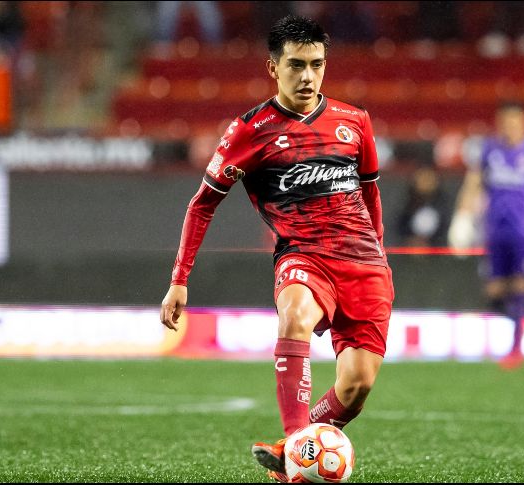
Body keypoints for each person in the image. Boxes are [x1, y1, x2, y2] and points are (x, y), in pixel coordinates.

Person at [159, 15, 394, 482]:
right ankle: (294, 449)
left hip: (364, 264)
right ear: (273, 68)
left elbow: (370, 194)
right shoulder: (250, 130)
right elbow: (202, 204)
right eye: (296, 65)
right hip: (302, 254)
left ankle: (292, 453)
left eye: (316, 65)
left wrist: (379, 252)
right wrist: (179, 280)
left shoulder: (354, 122)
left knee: (357, 384)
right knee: (295, 315)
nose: (307, 76)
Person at [448, 101, 524, 370]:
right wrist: (463, 216)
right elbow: (474, 182)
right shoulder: (490, 149)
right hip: (494, 228)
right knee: (494, 289)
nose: (511, 127)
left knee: (520, 284)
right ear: (499, 123)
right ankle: (517, 330)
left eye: (516, 122)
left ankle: (516, 347)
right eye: (506, 122)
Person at [397, 166, 452, 247]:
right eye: (422, 179)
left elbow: (446, 230)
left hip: (437, 251)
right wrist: (410, 241)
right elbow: (398, 228)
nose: (426, 183)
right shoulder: (406, 204)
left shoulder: (444, 204)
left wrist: (431, 243)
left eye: (429, 179)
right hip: (408, 250)